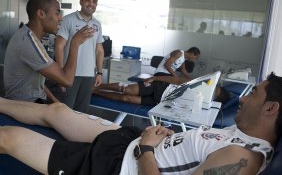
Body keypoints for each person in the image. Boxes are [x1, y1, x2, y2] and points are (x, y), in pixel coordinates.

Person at [0, 72, 281, 174]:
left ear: (271, 108)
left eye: (253, 94)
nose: (242, 100)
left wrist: (147, 149)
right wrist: (162, 138)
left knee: (10, 138)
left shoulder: (244, 158)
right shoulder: (241, 134)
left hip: (120, 165)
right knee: (58, 110)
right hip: (132, 140)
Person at [3, 0, 94, 104]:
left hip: (35, 100)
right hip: (25, 105)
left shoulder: (30, 37)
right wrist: (74, 44)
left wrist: (56, 102)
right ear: (41, 14)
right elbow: (67, 80)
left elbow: (37, 84)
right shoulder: (28, 42)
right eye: (57, 13)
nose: (61, 19)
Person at [53, 0, 104, 113]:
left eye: (94, 1)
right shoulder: (68, 20)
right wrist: (60, 74)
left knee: (82, 112)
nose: (91, 4)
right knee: (65, 110)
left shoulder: (97, 24)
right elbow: (59, 47)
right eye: (87, 0)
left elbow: (99, 50)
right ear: (81, 2)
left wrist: (100, 73)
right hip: (70, 74)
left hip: (88, 75)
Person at [93, 76, 230, 106]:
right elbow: (177, 80)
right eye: (213, 89)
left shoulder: (202, 103)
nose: (210, 91)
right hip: (160, 87)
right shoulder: (202, 83)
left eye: (213, 94)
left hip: (160, 101)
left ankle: (97, 92)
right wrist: (155, 77)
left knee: (126, 98)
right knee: (126, 89)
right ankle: (97, 86)